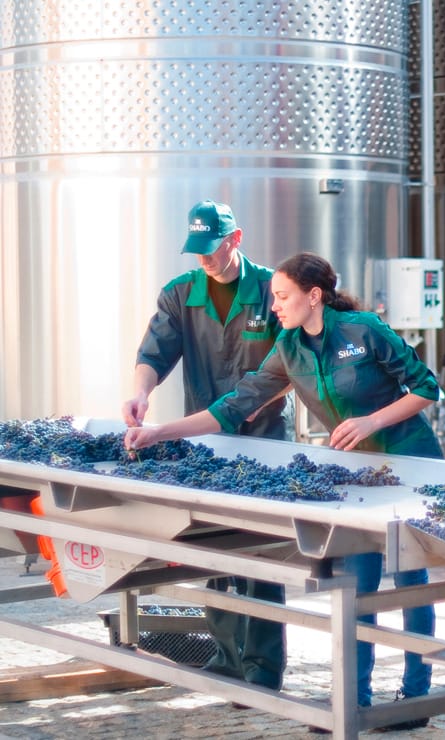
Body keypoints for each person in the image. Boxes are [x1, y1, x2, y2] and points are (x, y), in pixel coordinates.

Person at [124, 252, 442, 730]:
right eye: (273, 297)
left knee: (409, 579)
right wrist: (158, 433)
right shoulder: (289, 348)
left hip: (409, 464)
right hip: (359, 477)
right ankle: (353, 701)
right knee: (357, 586)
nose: (273, 306)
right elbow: (233, 406)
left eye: (281, 296)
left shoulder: (364, 330)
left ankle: (414, 699)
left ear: (314, 296)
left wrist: (371, 421)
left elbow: (427, 387)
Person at [122, 199, 293, 693]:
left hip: (263, 439)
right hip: (207, 438)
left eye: (212, 248)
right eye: (196, 250)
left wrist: (265, 398)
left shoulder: (271, 290)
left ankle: (263, 668)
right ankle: (227, 659)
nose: (204, 258)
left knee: (260, 552)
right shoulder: (181, 293)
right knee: (214, 547)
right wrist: (141, 393)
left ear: (235, 239)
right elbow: (154, 353)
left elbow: (294, 361)